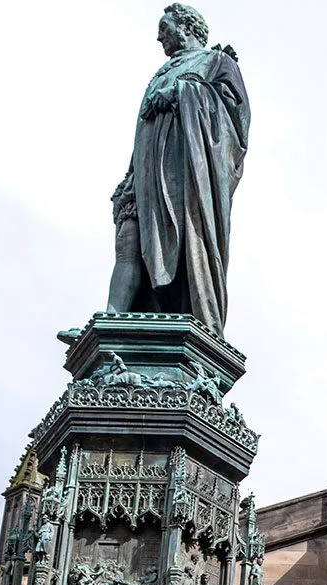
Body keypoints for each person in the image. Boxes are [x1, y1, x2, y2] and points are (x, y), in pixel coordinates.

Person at [107, 4, 250, 336]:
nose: (158, 36)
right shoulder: (163, 70)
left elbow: (236, 123)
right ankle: (113, 318)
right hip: (145, 173)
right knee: (128, 237)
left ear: (187, 28)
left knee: (187, 245)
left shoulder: (217, 62)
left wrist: (183, 91)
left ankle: (188, 314)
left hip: (186, 176)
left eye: (164, 27)